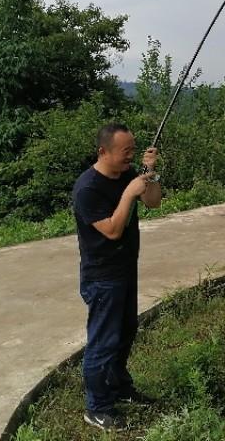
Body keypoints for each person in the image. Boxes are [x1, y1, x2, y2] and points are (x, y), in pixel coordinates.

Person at [72, 123, 162, 431]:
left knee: (126, 331)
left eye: (134, 151)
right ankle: (96, 407)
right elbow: (111, 230)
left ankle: (120, 385)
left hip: (125, 269)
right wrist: (128, 193)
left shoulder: (127, 175)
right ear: (103, 151)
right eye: (126, 152)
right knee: (103, 341)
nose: (131, 157)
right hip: (102, 277)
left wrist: (149, 175)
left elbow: (153, 202)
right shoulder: (87, 188)